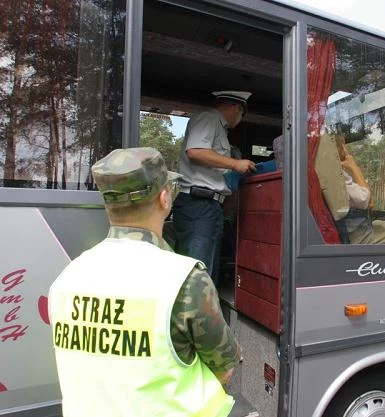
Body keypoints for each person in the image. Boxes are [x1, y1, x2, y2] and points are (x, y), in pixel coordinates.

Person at [48, 147, 241, 417]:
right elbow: (225, 367)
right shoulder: (185, 280)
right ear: (164, 198)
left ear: (108, 202)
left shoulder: (67, 277)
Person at [173, 91, 256, 287]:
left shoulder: (218, 128)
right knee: (197, 274)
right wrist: (235, 164)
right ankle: (191, 317)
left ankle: (203, 315)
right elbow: (195, 151)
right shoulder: (209, 118)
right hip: (198, 205)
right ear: (236, 107)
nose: (240, 119)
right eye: (242, 114)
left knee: (206, 272)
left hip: (208, 206)